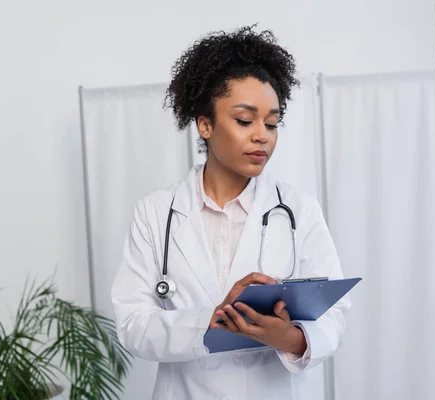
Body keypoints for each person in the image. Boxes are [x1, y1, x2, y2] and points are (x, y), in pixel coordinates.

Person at [111, 25, 350, 400]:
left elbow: (334, 315)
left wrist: (289, 338)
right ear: (205, 124)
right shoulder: (157, 213)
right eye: (244, 120)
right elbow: (133, 325)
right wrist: (214, 318)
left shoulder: (298, 210)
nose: (262, 136)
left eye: (272, 123)